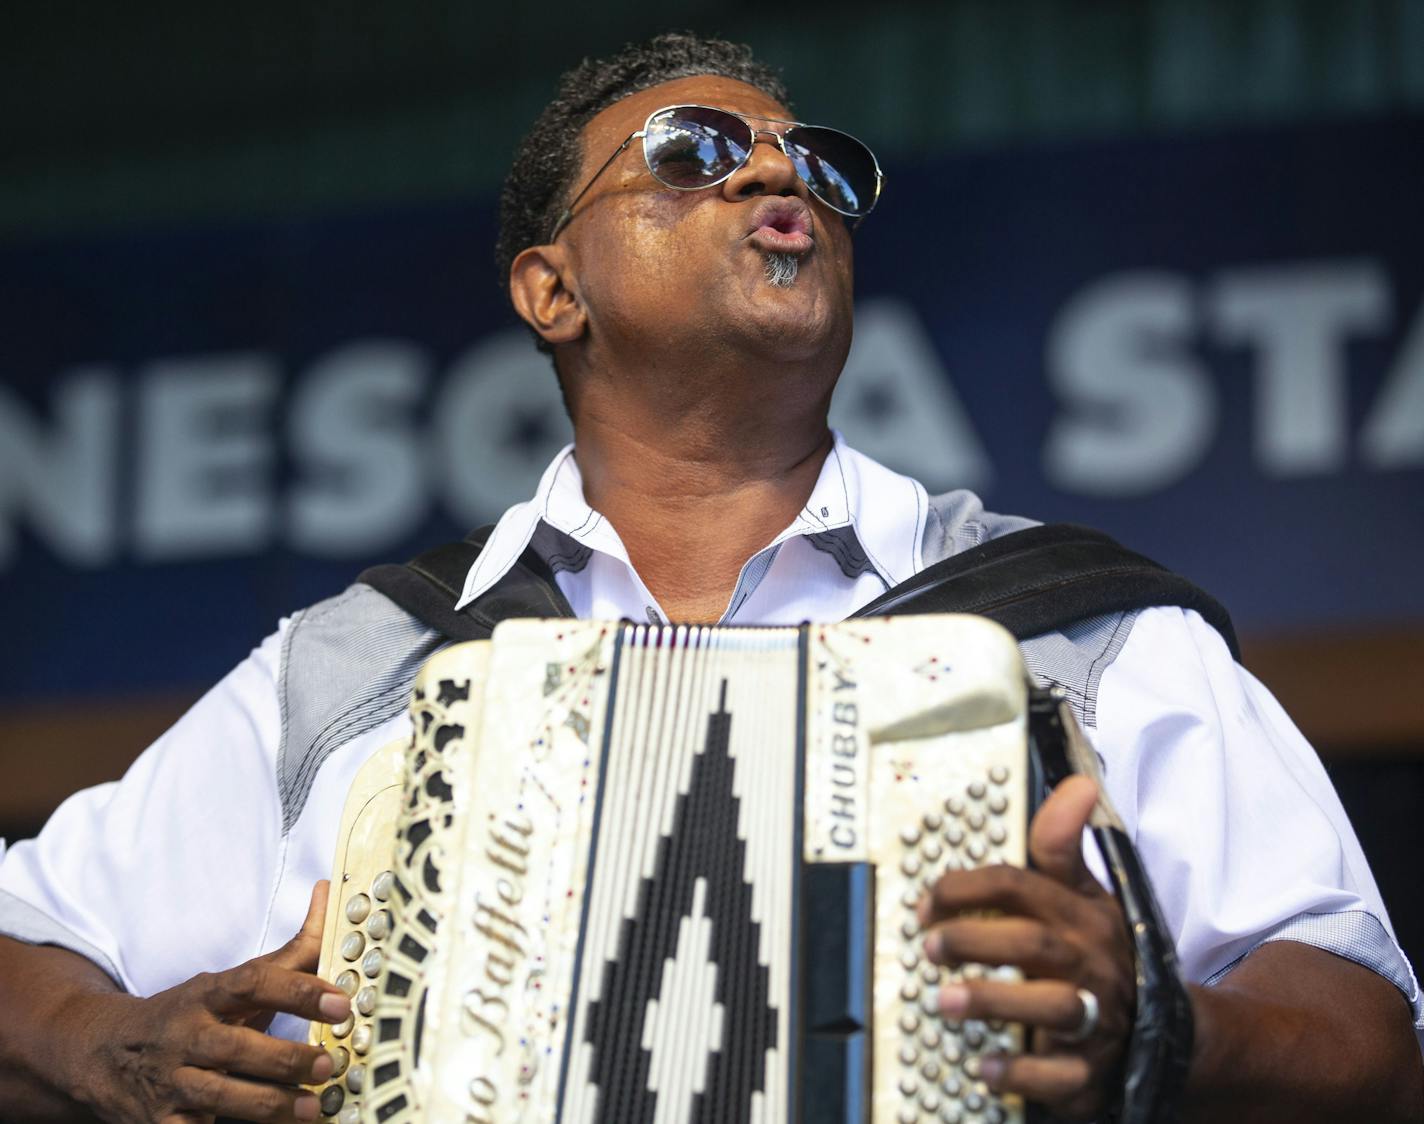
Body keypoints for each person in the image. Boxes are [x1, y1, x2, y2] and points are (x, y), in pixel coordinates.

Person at [0, 31, 1420, 1124]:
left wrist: (1160, 1021)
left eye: (816, 163)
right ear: (551, 290)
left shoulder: (1091, 637)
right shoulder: (364, 670)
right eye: (690, 151)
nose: (773, 173)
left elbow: (1370, 1042)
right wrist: (101, 1047)